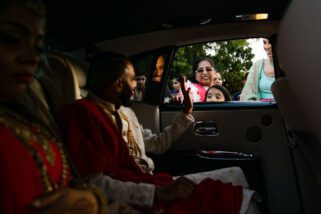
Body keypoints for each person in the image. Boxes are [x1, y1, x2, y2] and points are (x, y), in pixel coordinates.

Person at [59, 53, 257, 214]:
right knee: (235, 200)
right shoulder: (82, 114)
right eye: (132, 79)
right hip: (143, 189)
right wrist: (157, 192)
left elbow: (158, 144)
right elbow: (91, 181)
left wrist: (185, 113)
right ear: (119, 85)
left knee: (236, 176)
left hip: (150, 179)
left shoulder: (127, 113)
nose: (136, 84)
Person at [0, 0, 107, 213]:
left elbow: (73, 182)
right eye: (12, 39)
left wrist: (92, 200)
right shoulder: (79, 112)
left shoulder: (28, 117)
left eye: (38, 47)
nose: (32, 58)